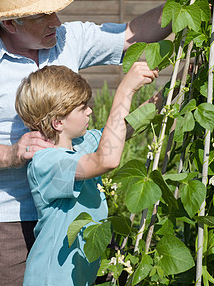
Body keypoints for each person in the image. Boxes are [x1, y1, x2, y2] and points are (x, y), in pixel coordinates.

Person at [0, 0, 171, 284]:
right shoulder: (49, 161)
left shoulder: (67, 40)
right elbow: (106, 157)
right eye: (43, 15)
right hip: (9, 217)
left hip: (77, 223)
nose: (57, 22)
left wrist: (166, 97)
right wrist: (9, 154)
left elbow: (131, 33)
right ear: (10, 23)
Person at [14, 62, 158, 285]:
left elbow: (125, 129)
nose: (90, 110)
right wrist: (124, 90)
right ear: (58, 122)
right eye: (82, 108)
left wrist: (172, 91)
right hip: (51, 279)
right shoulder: (47, 163)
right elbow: (107, 159)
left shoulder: (80, 143)